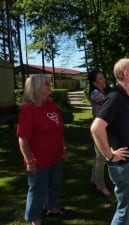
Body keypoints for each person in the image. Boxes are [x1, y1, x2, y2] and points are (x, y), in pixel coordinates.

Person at [90, 58, 129, 225]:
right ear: (126, 74)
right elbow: (96, 128)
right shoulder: (114, 97)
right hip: (123, 165)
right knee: (125, 212)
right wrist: (109, 155)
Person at [17, 74, 72, 225]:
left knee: (55, 184)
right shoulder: (28, 109)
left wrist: (64, 147)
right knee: (37, 191)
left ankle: (51, 208)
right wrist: (30, 161)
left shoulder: (51, 105)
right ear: (36, 88)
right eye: (46, 84)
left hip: (55, 156)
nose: (50, 86)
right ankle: (35, 219)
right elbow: (23, 138)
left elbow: (59, 129)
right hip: (39, 160)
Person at [88, 70, 112, 197]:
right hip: (99, 129)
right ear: (94, 82)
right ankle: (100, 186)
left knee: (99, 157)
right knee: (101, 158)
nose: (104, 80)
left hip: (102, 128)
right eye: (101, 78)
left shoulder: (101, 92)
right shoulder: (96, 94)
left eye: (103, 78)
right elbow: (111, 102)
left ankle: (94, 179)